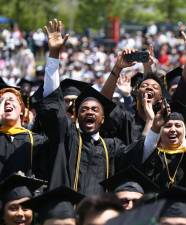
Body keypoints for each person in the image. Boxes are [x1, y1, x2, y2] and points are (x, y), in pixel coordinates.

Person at [41, 19, 143, 195]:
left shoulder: (113, 146)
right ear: (76, 115)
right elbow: (53, 104)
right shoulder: (68, 139)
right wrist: (53, 55)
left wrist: (154, 127)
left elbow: (140, 153)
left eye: (95, 110)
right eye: (84, 109)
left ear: (103, 118)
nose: (89, 111)